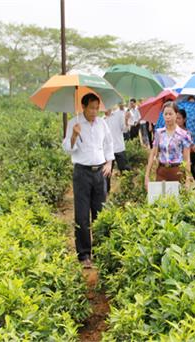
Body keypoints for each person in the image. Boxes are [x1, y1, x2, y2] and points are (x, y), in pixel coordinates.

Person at [62, 93, 114, 269]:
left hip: (100, 172)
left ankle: (101, 250)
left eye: (96, 107)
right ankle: (84, 254)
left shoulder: (102, 123)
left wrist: (109, 162)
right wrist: (74, 136)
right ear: (83, 107)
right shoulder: (74, 123)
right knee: (82, 216)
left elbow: (108, 143)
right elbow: (68, 149)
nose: (94, 111)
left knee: (100, 213)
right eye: (91, 107)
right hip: (82, 173)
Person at [145, 101, 191, 188]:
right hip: (161, 171)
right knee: (159, 199)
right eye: (165, 114)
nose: (168, 117)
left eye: (170, 114)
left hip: (177, 172)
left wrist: (188, 179)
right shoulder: (159, 133)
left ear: (176, 114)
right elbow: (152, 154)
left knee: (177, 200)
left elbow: (186, 159)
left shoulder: (184, 134)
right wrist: (147, 175)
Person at [103, 108, 130, 193]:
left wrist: (126, 120)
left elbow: (125, 129)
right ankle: (106, 192)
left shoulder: (118, 115)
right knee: (106, 172)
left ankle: (127, 189)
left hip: (119, 148)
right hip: (107, 151)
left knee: (124, 169)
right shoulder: (101, 120)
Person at [177, 108, 195, 184]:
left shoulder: (187, 132)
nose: (177, 120)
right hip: (176, 159)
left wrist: (193, 147)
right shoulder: (172, 132)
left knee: (185, 175)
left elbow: (192, 145)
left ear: (184, 119)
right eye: (176, 118)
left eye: (179, 118)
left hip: (186, 157)